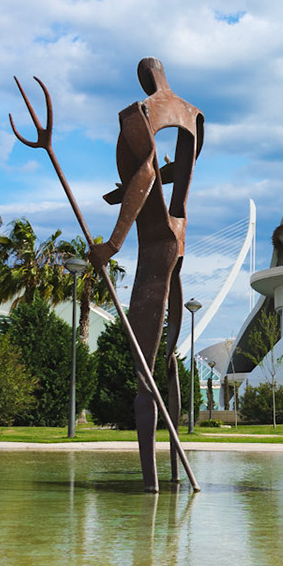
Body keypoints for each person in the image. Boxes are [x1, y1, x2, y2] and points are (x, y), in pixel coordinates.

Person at [91, 57, 205, 493]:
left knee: (144, 374)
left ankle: (151, 483)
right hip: (179, 240)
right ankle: (174, 473)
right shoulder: (195, 117)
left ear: (143, 79)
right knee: (169, 360)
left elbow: (147, 172)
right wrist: (125, 193)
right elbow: (174, 173)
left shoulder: (138, 113)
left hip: (154, 247)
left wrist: (113, 243)